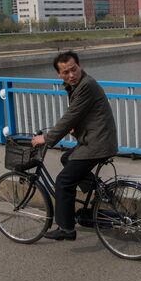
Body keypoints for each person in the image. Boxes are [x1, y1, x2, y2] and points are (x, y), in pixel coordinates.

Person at [32, 51, 118, 241]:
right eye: (66, 72)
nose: (71, 75)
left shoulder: (86, 85)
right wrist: (75, 127)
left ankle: (66, 229)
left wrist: (46, 138)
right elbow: (80, 114)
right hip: (97, 139)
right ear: (59, 75)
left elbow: (71, 115)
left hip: (98, 143)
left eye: (74, 69)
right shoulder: (78, 85)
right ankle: (98, 192)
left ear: (80, 66)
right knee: (66, 158)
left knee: (63, 182)